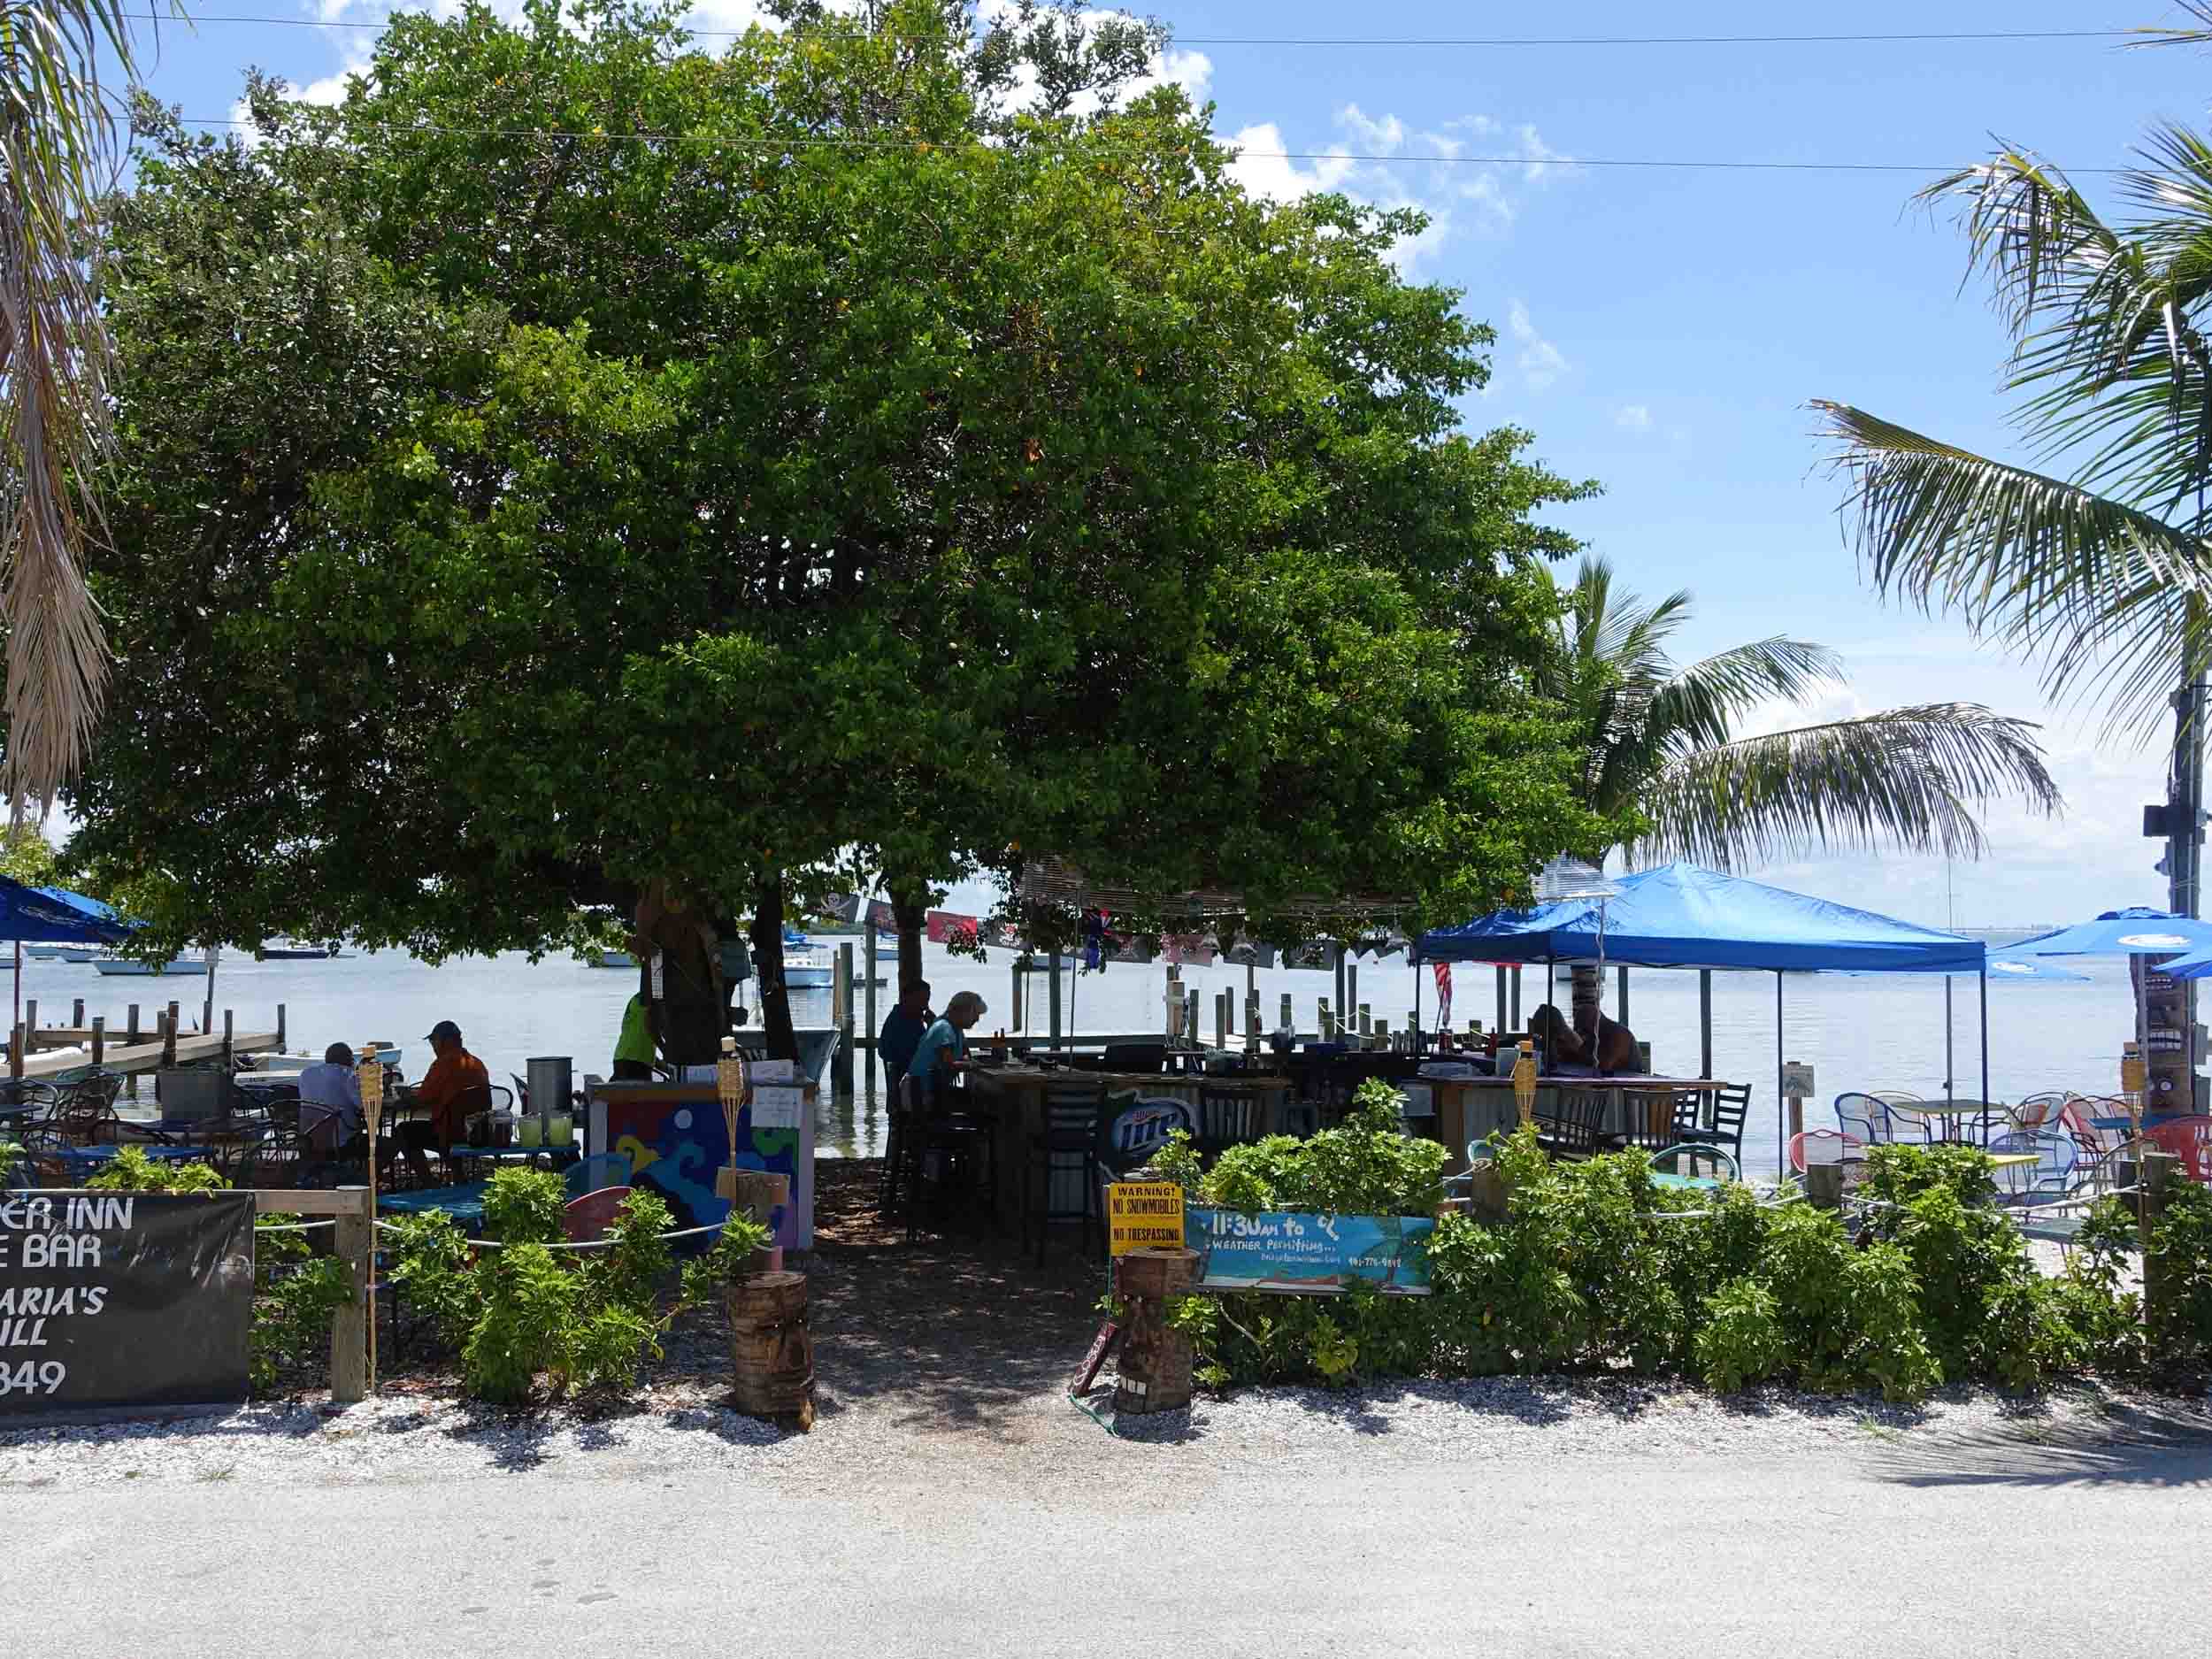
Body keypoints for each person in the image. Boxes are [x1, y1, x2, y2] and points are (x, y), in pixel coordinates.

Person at [383, 1018, 491, 1185]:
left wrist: (404, 1099)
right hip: (476, 1132)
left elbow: (423, 1100)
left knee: (403, 1132)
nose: (433, 1046)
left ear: (445, 1041)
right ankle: (458, 1176)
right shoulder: (476, 1063)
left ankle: (429, 1183)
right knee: (446, 1121)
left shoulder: (443, 1064)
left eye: (434, 1041)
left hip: (449, 1133)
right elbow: (445, 1092)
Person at [905, 989, 985, 1107]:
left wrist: (967, 1059)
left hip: (929, 1090)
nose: (977, 1019)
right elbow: (948, 1064)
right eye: (975, 1014)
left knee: (980, 1098)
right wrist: (971, 1064)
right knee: (983, 1101)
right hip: (921, 1095)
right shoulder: (944, 1029)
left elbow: (964, 1053)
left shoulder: (954, 1028)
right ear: (963, 1011)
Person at [296, 1041, 362, 1156]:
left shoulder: (306, 1073)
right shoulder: (347, 1075)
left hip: (308, 1141)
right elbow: (363, 1105)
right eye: (352, 1059)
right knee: (386, 1145)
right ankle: (365, 1173)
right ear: (348, 1060)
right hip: (339, 1144)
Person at [877, 979, 933, 1096]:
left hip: (908, 1084)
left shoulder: (910, 1018)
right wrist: (932, 1027)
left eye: (927, 1000)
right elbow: (921, 1052)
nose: (926, 1004)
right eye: (921, 1000)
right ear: (907, 998)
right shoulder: (902, 1020)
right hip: (909, 1089)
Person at [611, 991, 658, 1082]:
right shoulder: (647, 1001)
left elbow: (640, 1042)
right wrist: (665, 1049)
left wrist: (665, 1067)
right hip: (635, 1064)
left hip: (622, 1059)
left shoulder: (638, 999)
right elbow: (651, 1028)